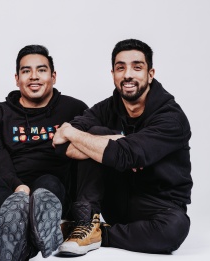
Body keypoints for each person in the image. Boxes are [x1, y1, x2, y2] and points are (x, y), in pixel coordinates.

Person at [53, 39, 192, 255]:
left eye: (137, 67)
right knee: (95, 136)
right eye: (121, 68)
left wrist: (73, 132)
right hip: (115, 198)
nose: (128, 74)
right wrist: (114, 140)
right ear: (113, 74)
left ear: (150, 73)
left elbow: (126, 155)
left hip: (157, 204)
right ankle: (86, 221)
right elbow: (61, 145)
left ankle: (98, 234)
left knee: (175, 228)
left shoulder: (171, 118)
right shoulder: (107, 108)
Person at [0, 45, 88, 260]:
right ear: (17, 78)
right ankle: (31, 234)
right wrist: (19, 188)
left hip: (52, 188)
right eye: (26, 71)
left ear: (53, 76)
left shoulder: (74, 109)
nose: (34, 77)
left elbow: (91, 145)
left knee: (48, 185)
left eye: (41, 70)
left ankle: (20, 239)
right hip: (7, 189)